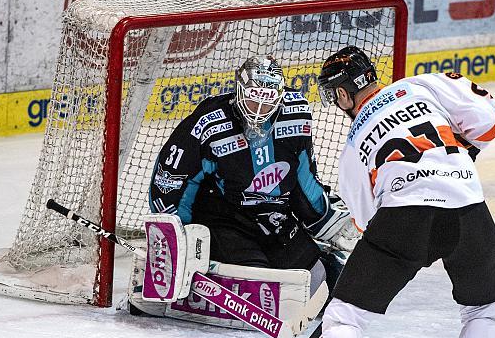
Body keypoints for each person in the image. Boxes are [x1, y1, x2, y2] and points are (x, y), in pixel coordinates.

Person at [284, 46, 495, 338]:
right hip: (468, 208)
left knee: (346, 314)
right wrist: (462, 149)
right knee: (483, 308)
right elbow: (491, 121)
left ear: (341, 95)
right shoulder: (423, 85)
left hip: (403, 218)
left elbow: (363, 219)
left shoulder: (354, 143)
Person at [149, 56, 358, 293]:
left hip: (272, 216)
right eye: (252, 101)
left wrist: (325, 220)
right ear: (239, 91)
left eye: (267, 103)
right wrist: (179, 236)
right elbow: (171, 181)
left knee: (322, 280)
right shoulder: (208, 121)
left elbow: (303, 179)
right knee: (258, 283)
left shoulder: (296, 115)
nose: (259, 111)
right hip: (224, 217)